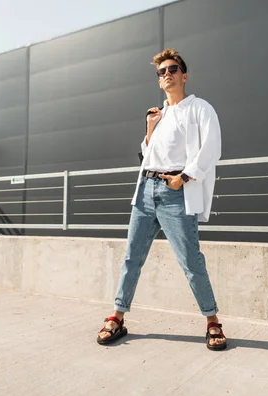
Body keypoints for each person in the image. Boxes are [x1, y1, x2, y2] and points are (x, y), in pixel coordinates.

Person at [97, 49, 226, 351]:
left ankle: (212, 322)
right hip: (145, 191)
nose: (166, 74)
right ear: (158, 80)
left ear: (184, 75)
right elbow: (147, 154)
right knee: (132, 257)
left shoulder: (200, 108)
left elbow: (212, 147)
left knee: (191, 261)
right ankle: (117, 316)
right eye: (161, 72)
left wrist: (185, 177)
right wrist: (149, 130)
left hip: (176, 192)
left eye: (172, 69)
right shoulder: (159, 114)